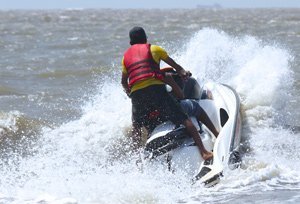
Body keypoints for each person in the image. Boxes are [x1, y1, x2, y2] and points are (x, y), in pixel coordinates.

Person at [121, 26, 213, 160]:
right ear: (146, 39)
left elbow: (124, 82)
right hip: (156, 91)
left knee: (136, 128)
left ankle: (137, 160)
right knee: (183, 118)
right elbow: (177, 68)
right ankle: (204, 151)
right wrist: (184, 73)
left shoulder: (125, 58)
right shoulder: (154, 49)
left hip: (137, 96)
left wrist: (130, 94)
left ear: (130, 43)